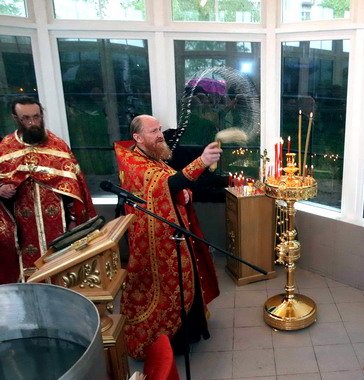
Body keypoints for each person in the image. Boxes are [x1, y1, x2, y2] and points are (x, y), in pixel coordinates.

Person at [114, 114, 221, 360]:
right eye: (153, 131)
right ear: (138, 137)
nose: (160, 135)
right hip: (153, 240)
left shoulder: (151, 155)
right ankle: (168, 342)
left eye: (160, 129)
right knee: (163, 287)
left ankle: (190, 333)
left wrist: (183, 193)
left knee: (187, 277)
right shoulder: (133, 162)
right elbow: (168, 184)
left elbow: (170, 185)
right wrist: (202, 161)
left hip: (172, 231)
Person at [0, 96, 96, 283]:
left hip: (60, 226)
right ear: (16, 119)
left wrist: (74, 220)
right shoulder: (5, 148)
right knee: (29, 278)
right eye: (26, 118)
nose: (32, 123)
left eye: (36, 117)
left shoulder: (58, 146)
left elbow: (74, 188)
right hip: (22, 230)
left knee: (62, 275)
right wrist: (1, 189)